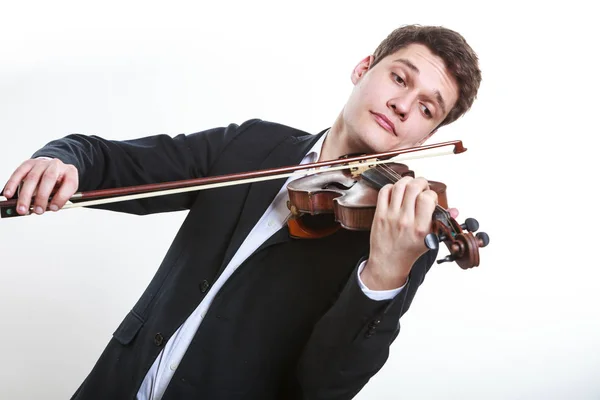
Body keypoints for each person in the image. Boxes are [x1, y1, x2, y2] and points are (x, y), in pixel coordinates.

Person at [2, 24, 481, 399]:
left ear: (428, 138)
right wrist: (64, 159)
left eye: (426, 109)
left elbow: (323, 388)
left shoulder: (401, 238)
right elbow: (117, 161)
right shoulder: (254, 145)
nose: (401, 106)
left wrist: (384, 272)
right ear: (364, 67)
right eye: (399, 78)